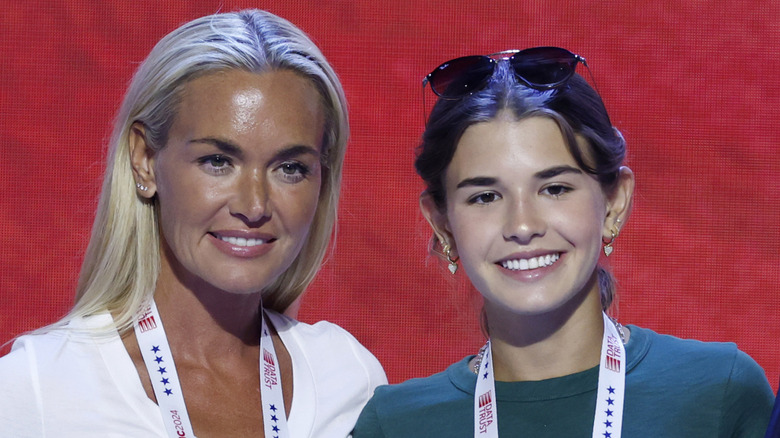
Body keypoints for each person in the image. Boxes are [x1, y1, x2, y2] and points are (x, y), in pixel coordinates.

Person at [0, 9, 386, 437]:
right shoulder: (36, 389)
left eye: (290, 168)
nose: (254, 204)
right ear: (145, 161)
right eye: (218, 161)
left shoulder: (348, 378)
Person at [353, 47, 773, 437]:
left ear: (613, 202)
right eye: (485, 196)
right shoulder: (395, 423)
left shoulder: (720, 393)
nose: (522, 225)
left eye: (554, 188)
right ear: (442, 223)